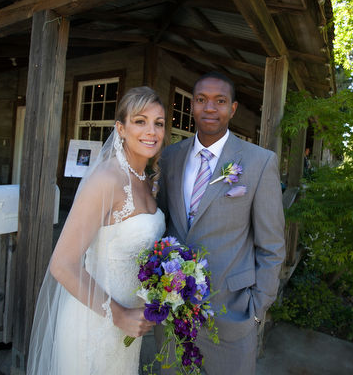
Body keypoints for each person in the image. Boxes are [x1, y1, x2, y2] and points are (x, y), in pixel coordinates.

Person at [27, 86, 166, 374]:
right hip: (95, 321)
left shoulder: (147, 181)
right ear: (121, 128)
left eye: (159, 123)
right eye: (140, 121)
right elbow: (62, 265)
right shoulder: (106, 178)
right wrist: (120, 315)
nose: (151, 131)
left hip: (129, 328)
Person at [157, 72, 286, 374]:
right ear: (191, 105)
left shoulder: (259, 162)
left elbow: (272, 245)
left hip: (231, 313)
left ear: (233, 108)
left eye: (220, 101)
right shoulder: (170, 157)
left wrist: (257, 309)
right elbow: (164, 227)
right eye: (201, 100)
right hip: (174, 311)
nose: (210, 108)